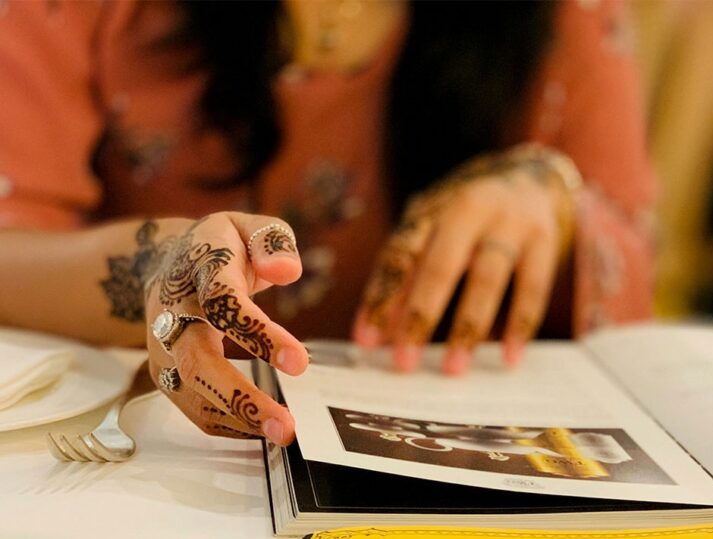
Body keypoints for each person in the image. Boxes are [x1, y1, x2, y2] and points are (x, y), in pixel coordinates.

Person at [0, 0, 655, 446]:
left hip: (454, 469)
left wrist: (552, 205)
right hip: (147, 457)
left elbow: (634, 266)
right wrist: (153, 266)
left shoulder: (566, 14)